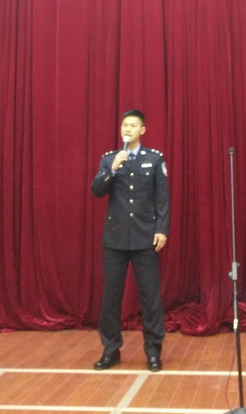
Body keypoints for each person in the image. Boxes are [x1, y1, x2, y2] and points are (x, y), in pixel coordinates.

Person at [91, 109, 170, 372]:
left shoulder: (154, 159)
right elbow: (97, 191)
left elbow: (162, 198)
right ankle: (111, 349)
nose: (127, 129)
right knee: (111, 297)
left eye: (132, 125)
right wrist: (112, 170)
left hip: (145, 237)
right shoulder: (109, 159)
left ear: (142, 130)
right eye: (124, 125)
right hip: (115, 239)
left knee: (150, 297)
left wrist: (162, 229)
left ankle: (153, 350)